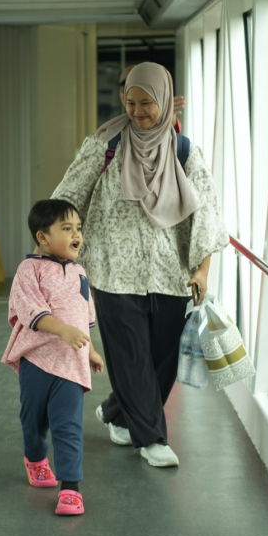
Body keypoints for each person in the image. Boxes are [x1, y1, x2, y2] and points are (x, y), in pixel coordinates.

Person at [51, 62, 228, 468]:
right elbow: (68, 195)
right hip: (113, 271)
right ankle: (152, 439)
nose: (137, 111)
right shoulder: (104, 145)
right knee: (131, 355)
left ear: (164, 101)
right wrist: (53, 248)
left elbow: (207, 215)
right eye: (130, 102)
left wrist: (202, 270)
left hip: (171, 273)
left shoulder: (185, 152)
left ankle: (118, 412)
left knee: (162, 359)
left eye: (147, 103)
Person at [2, 199, 105, 516]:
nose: (76, 235)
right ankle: (35, 458)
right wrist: (62, 331)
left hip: (72, 365)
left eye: (78, 228)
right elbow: (30, 311)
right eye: (67, 228)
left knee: (68, 426)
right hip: (37, 362)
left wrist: (90, 350)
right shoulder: (29, 270)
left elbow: (83, 316)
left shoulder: (80, 273)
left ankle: (71, 489)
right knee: (33, 421)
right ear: (42, 237)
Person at [119, 65, 185, 133]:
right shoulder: (115, 129)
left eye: (145, 103)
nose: (138, 111)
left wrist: (167, 116)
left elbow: (173, 133)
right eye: (124, 90)